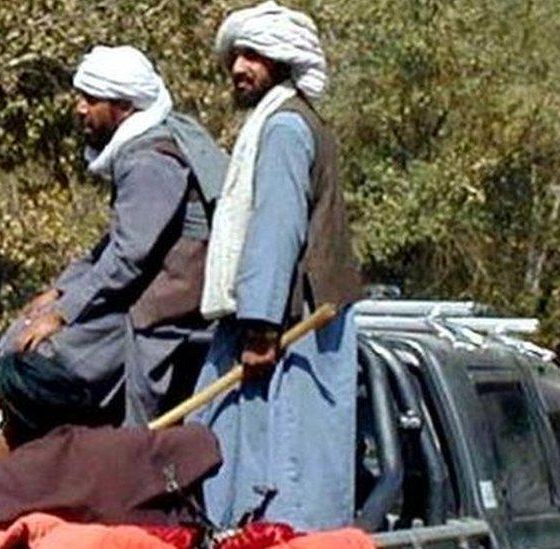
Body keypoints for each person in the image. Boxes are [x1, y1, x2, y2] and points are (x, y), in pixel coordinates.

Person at [0, 45, 228, 443]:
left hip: (164, 309)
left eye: (91, 100)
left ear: (123, 105)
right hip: (144, 295)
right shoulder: (142, 148)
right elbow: (116, 242)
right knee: (19, 337)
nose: (80, 109)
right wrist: (60, 290)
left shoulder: (148, 160)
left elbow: (130, 256)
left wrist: (63, 313)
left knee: (34, 359)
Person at [190, 1, 362, 530]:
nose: (239, 67)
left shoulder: (285, 128)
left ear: (284, 61)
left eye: (254, 55)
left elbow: (275, 231)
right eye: (236, 55)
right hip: (280, 324)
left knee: (283, 484)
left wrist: (261, 328)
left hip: (289, 333)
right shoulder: (282, 122)